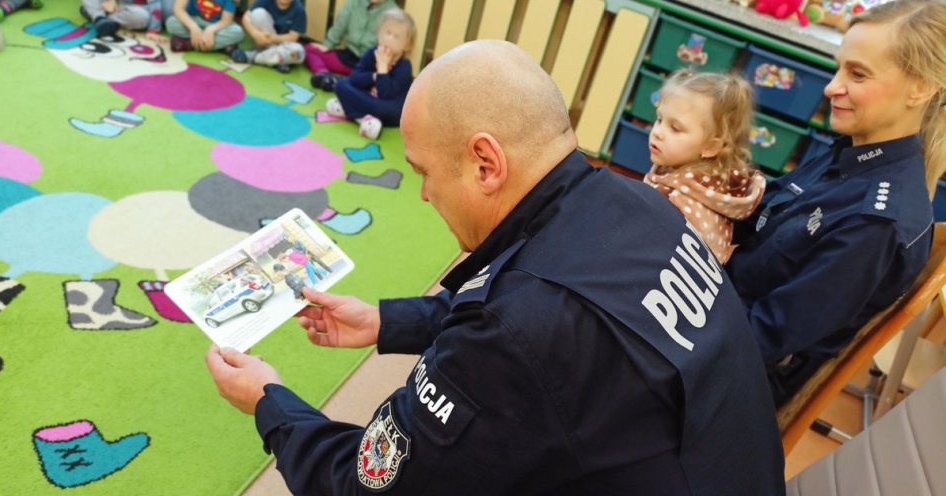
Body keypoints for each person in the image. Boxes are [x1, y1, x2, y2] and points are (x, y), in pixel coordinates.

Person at [205, 40, 786, 495]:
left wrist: (269, 401)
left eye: (424, 171)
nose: (425, 195)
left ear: (485, 162)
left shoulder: (514, 334)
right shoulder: (641, 205)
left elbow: (369, 484)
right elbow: (542, 325)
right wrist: (386, 323)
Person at [726, 0, 946, 406]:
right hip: (719, 308)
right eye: (839, 67)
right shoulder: (852, 151)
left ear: (921, 88)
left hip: (733, 378)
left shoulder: (876, 223)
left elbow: (760, 338)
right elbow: (762, 225)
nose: (832, 87)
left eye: (857, 74)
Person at [645, 69, 765, 264]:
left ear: (711, 147)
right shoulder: (682, 171)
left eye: (675, 128)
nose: (657, 132)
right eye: (660, 119)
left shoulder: (681, 203)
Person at [324, 8, 415, 140]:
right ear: (378, 34)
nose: (389, 38)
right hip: (368, 97)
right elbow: (355, 78)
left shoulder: (404, 66)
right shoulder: (372, 53)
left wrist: (383, 68)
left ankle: (347, 110)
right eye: (387, 32)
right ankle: (363, 119)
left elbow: (386, 94)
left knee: (390, 110)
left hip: (386, 106)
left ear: (406, 44)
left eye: (396, 36)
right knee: (341, 85)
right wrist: (373, 76)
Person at [305, 0, 398, 92]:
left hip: (370, 64)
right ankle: (324, 75)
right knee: (310, 49)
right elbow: (340, 24)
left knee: (378, 80)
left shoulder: (394, 12)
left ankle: (342, 81)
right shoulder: (354, 2)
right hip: (347, 57)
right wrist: (328, 44)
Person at [232, 0, 306, 74]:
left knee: (299, 53)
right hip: (264, 43)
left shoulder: (299, 9)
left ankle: (252, 57)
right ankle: (279, 60)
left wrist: (272, 38)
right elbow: (246, 17)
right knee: (258, 13)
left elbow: (293, 37)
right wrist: (255, 33)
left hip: (284, 46)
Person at [165, 0, 244, 52]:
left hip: (216, 25)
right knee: (171, 23)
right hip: (193, 20)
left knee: (238, 33)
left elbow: (226, 20)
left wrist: (211, 29)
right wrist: (193, 27)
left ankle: (189, 44)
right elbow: (178, 9)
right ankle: (220, 46)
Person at [80, 0, 152, 38]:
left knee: (142, 17)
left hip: (132, 8)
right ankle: (99, 17)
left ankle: (99, 16)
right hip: (108, 3)